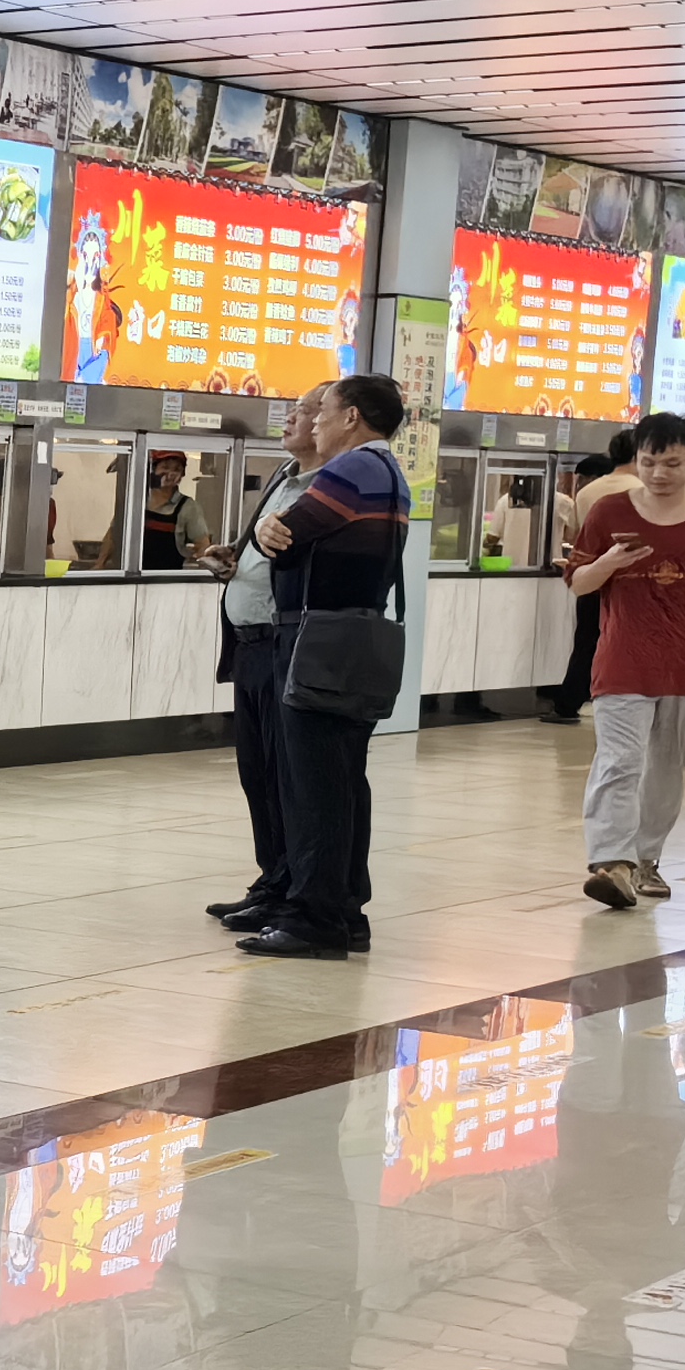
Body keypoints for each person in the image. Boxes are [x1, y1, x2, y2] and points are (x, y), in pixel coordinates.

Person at [239, 371, 409, 959]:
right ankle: (344, 911)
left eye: (324, 411)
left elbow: (284, 537)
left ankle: (315, 918)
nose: (315, 423)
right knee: (340, 783)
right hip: (350, 642)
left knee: (314, 787)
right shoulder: (386, 470)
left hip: (318, 642)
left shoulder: (354, 467)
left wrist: (267, 529)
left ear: (352, 417)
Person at [569, 408, 685, 911]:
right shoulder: (609, 511)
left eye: (671, 463)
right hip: (622, 660)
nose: (658, 474)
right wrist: (609, 562)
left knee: (666, 769)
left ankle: (646, 858)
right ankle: (611, 862)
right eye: (648, 462)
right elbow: (579, 583)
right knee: (619, 760)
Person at [202, 389, 321, 933]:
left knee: (281, 774)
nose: (290, 418)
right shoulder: (284, 476)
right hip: (249, 644)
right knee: (256, 773)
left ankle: (291, 886)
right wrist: (237, 556)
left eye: (306, 410)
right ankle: (271, 878)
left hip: (283, 643)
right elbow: (266, 548)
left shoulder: (328, 487)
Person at [543, 438, 631, 723]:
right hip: (635, 584)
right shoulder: (649, 491)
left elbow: (577, 537)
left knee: (586, 641)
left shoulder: (588, 493)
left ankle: (568, 703)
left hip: (592, 577)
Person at [143, 449, 204, 570]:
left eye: (176, 469)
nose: (170, 473)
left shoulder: (188, 507)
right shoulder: (137, 500)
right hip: (135, 574)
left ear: (182, 476)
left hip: (170, 578)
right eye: (165, 467)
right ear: (153, 470)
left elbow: (203, 544)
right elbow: (113, 536)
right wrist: (103, 564)